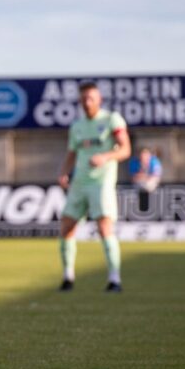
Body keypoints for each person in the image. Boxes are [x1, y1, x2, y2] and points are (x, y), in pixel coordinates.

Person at [57, 81, 131, 293]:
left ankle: (114, 279)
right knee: (66, 227)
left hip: (102, 182)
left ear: (99, 100)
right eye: (83, 99)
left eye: (91, 98)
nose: (87, 102)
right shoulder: (77, 126)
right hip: (80, 181)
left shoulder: (111, 119)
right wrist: (63, 171)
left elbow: (125, 149)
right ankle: (67, 277)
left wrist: (106, 156)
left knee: (104, 227)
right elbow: (72, 153)